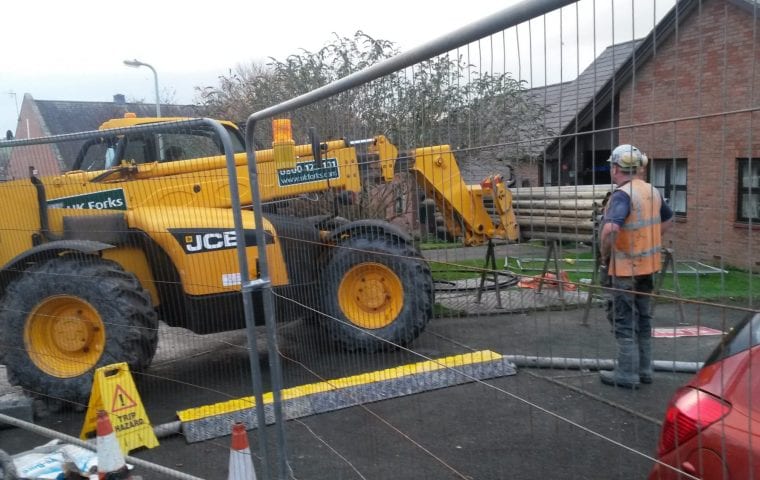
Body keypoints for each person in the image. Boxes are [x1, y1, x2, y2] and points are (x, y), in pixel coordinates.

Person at [599, 144, 674, 389]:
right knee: (643, 319)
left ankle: (626, 375)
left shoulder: (622, 194)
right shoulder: (652, 190)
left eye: (612, 165)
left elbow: (611, 229)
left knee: (623, 320)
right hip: (647, 267)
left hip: (624, 271)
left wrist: (605, 254)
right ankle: (645, 370)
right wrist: (648, 239)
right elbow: (669, 219)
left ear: (616, 168)